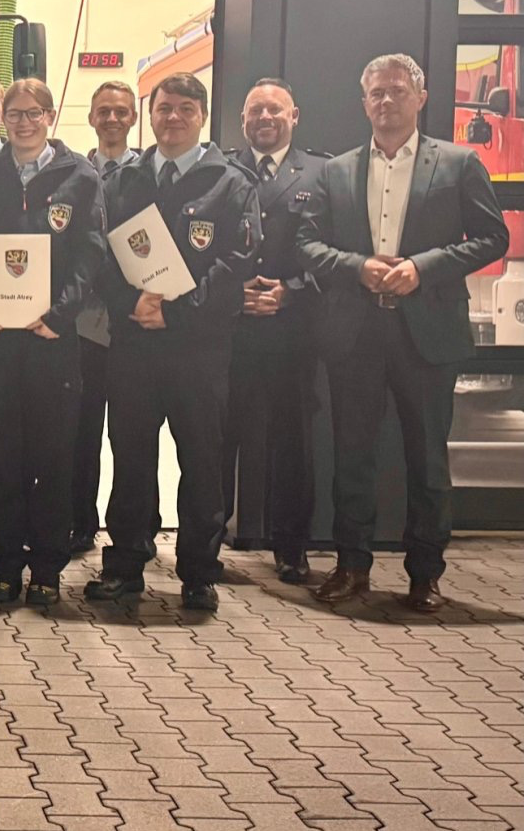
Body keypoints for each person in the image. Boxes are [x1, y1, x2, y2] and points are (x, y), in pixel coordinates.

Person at [298, 53, 507, 612]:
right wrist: (356, 267)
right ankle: (351, 567)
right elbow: (307, 244)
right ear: (363, 102)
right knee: (352, 456)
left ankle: (425, 575)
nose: (386, 101)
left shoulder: (459, 163)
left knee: (428, 461)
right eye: (376, 93)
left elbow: (493, 237)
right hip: (357, 333)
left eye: (396, 91)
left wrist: (423, 267)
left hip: (427, 334)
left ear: (421, 98)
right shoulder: (336, 171)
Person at [87, 72, 260, 613]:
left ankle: (198, 573)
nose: (174, 117)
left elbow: (236, 263)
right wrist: (130, 304)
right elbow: (98, 253)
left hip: (199, 350)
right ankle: (125, 565)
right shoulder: (123, 181)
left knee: (202, 462)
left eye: (186, 108)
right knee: (131, 459)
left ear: (202, 116)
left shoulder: (231, 183)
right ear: (151, 114)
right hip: (134, 346)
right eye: (164, 108)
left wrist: (175, 311)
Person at [0, 78, 105, 606]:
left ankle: (46, 568)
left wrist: (60, 315)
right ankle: (4, 563)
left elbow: (90, 254)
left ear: (50, 116)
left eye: (32, 113)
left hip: (51, 341)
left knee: (53, 459)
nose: (22, 122)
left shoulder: (80, 177)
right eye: (14, 114)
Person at [223, 79, 327, 584]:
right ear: (243, 119)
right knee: (219, 441)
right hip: (231, 331)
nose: (265, 117)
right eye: (255, 110)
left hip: (292, 334)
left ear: (294, 115)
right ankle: (206, 541)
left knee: (293, 443)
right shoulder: (222, 169)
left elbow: (335, 248)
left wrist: (292, 290)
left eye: (275, 109)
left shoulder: (323, 173)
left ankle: (292, 548)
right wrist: (231, 292)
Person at [71, 80, 143, 555]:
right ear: (92, 117)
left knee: (133, 434)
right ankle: (80, 521)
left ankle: (137, 528)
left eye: (121, 111)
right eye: (104, 111)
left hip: (135, 321)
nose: (112, 119)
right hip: (82, 322)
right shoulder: (76, 173)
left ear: (133, 117)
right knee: (81, 429)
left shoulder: (148, 174)